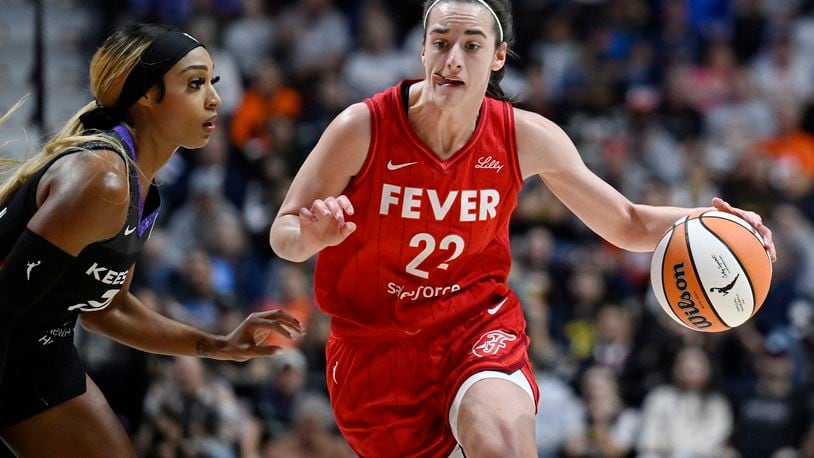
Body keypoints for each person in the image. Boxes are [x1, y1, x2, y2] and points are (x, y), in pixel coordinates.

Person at [268, 0, 777, 456]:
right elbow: (283, 232)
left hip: (474, 325)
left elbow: (626, 222)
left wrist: (717, 223)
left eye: (471, 45)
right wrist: (310, 237)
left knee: (503, 445)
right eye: (440, 44)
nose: (452, 60)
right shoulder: (362, 127)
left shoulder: (523, 136)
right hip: (373, 349)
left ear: (497, 57)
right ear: (421, 51)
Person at [0, 23, 303, 457]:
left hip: (40, 353)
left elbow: (109, 310)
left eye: (212, 84)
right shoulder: (101, 179)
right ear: (146, 94)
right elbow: (3, 305)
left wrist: (217, 346)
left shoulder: (139, 185)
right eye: (196, 84)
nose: (215, 99)